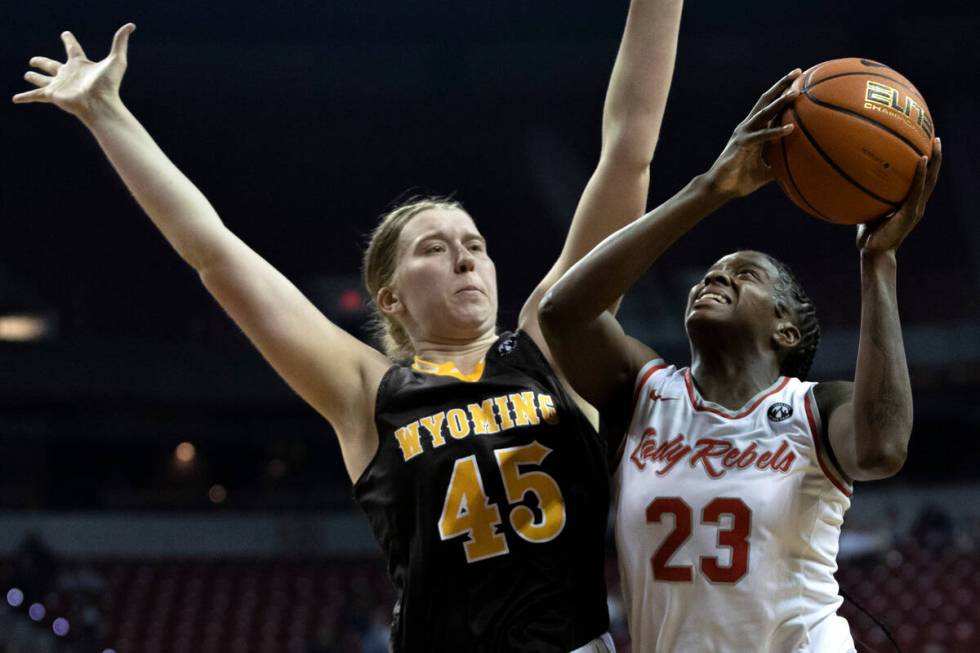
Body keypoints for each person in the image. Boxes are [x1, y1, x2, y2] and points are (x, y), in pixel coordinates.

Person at [13, 1, 683, 650]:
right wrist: (107, 116)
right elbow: (213, 251)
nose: (465, 255)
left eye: (475, 243)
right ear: (389, 298)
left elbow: (627, 154)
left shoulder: (551, 342)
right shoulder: (367, 390)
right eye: (434, 246)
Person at [538, 72, 942, 652]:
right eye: (710, 274)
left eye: (744, 273)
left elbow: (882, 449)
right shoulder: (645, 392)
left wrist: (879, 264)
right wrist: (709, 189)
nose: (716, 277)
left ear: (786, 328)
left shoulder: (813, 407)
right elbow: (562, 314)